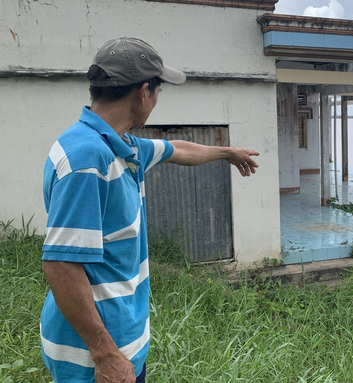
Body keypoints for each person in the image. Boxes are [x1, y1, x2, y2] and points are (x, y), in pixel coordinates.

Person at [40, 37, 260, 383]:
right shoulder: (88, 159)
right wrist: (107, 357)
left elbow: (179, 149)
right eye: (159, 92)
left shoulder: (122, 146)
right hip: (94, 360)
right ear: (143, 92)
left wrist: (227, 153)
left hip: (121, 343)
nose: (157, 101)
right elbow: (60, 266)